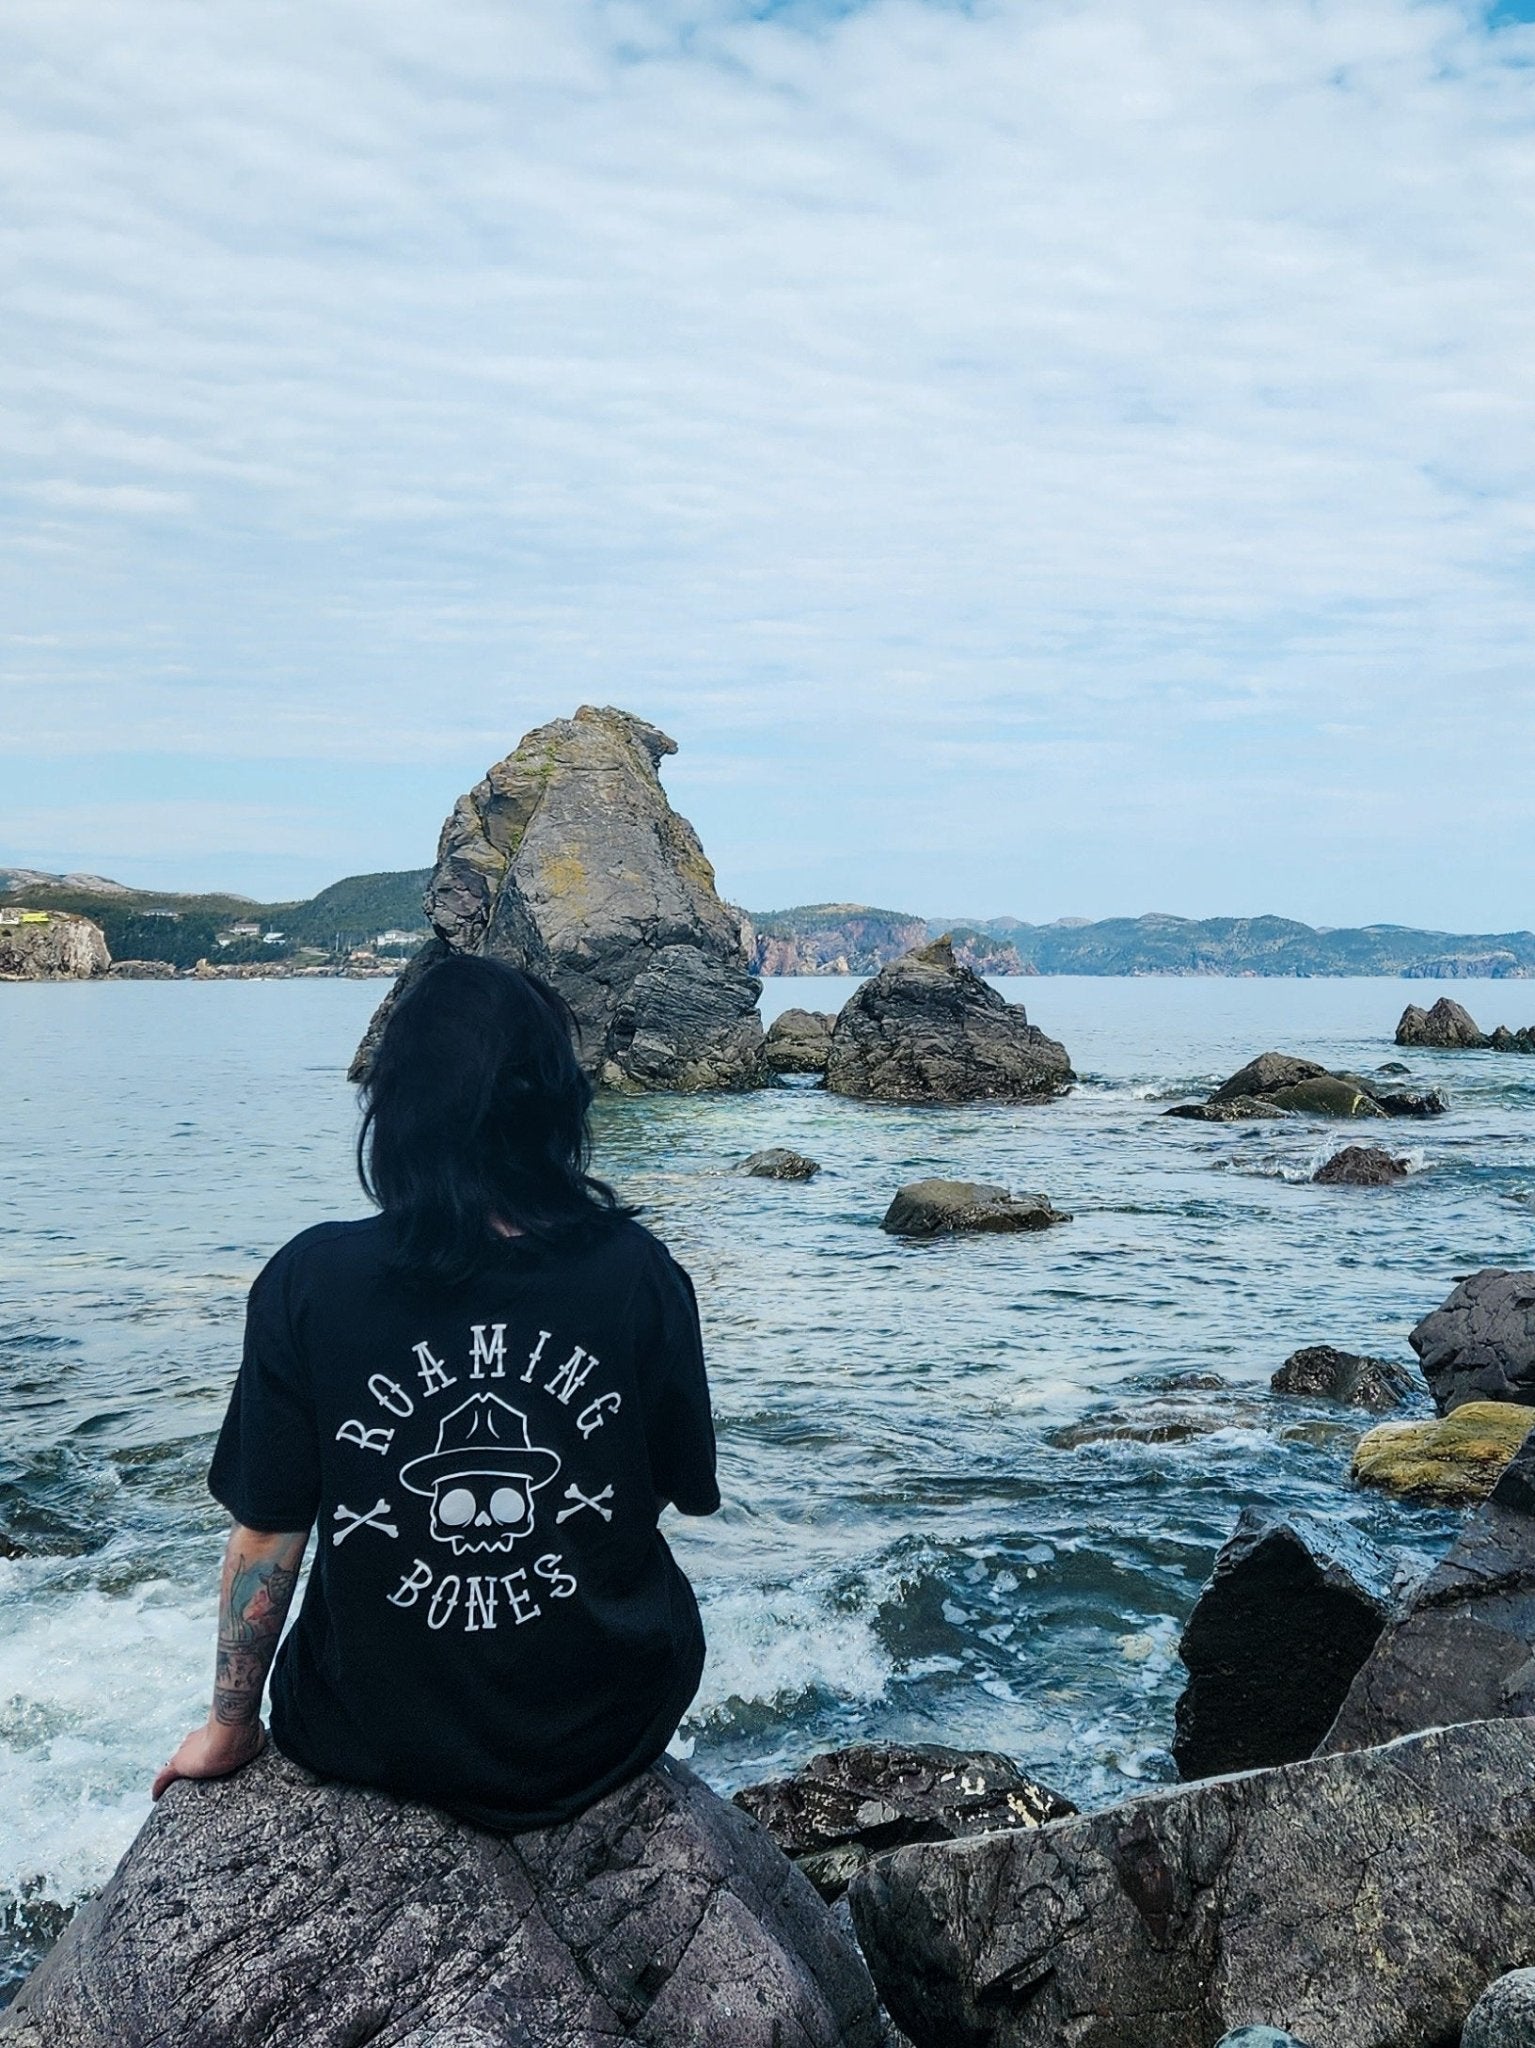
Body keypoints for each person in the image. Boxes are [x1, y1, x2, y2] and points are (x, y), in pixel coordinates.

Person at [152, 953, 720, 1832]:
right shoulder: (637, 1273)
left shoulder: (310, 1280)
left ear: (398, 1111)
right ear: (558, 1106)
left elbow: (270, 1534)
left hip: (368, 1732)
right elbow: (681, 1488)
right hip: (603, 1725)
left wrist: (231, 1727)